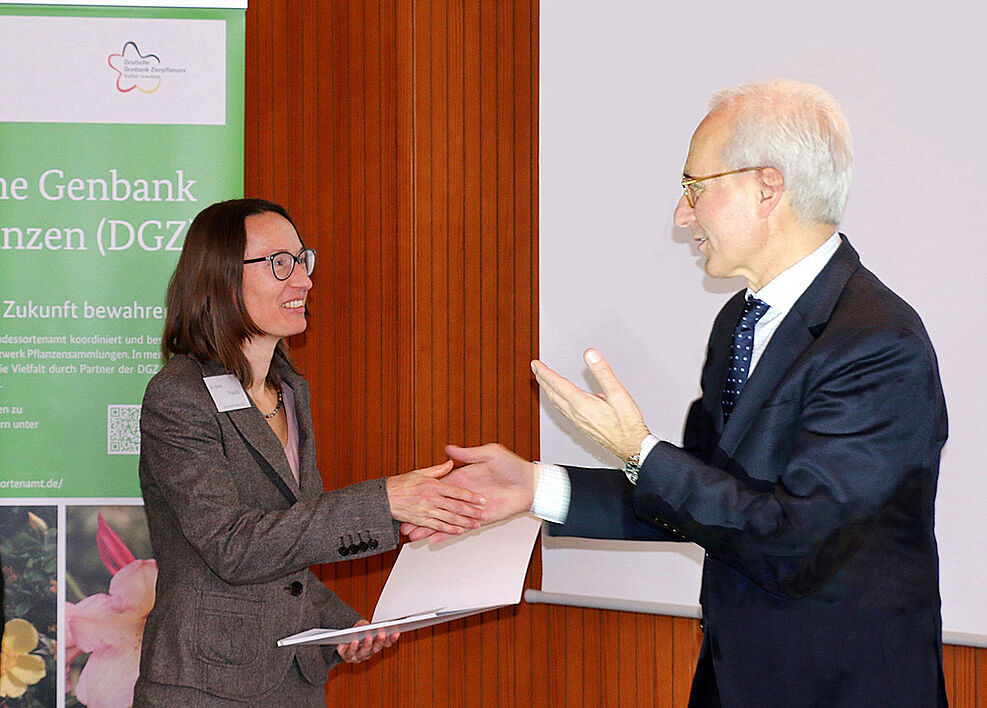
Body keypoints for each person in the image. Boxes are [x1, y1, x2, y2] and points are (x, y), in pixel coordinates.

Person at [406, 80, 948, 707]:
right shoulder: (741, 324)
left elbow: (795, 541)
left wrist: (638, 447)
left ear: (767, 188)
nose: (680, 214)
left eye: (695, 187)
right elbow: (702, 495)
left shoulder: (877, 345)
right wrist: (535, 487)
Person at [135, 198, 486, 706]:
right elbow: (232, 546)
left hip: (293, 683)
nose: (303, 280)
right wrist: (383, 500)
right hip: (204, 684)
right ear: (221, 278)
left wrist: (339, 627)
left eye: (303, 260)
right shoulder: (179, 395)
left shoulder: (289, 388)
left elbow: (289, 538)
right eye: (280, 263)